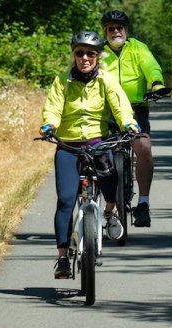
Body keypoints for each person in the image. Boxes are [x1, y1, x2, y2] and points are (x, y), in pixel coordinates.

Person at [40, 30, 139, 279]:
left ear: (98, 57)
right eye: (80, 53)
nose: (85, 58)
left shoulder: (106, 81)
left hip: (97, 143)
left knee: (110, 183)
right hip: (69, 146)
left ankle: (110, 211)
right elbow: (52, 107)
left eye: (91, 54)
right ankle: (62, 258)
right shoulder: (62, 81)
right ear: (74, 55)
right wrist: (49, 125)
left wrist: (129, 123)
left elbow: (120, 106)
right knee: (65, 201)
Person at [98, 9, 168, 227]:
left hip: (135, 108)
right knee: (98, 154)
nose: (115, 31)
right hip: (106, 110)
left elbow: (150, 65)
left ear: (125, 30)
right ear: (105, 31)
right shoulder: (98, 51)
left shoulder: (138, 48)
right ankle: (109, 203)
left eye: (119, 28)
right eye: (111, 28)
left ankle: (144, 204)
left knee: (144, 148)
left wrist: (156, 82)